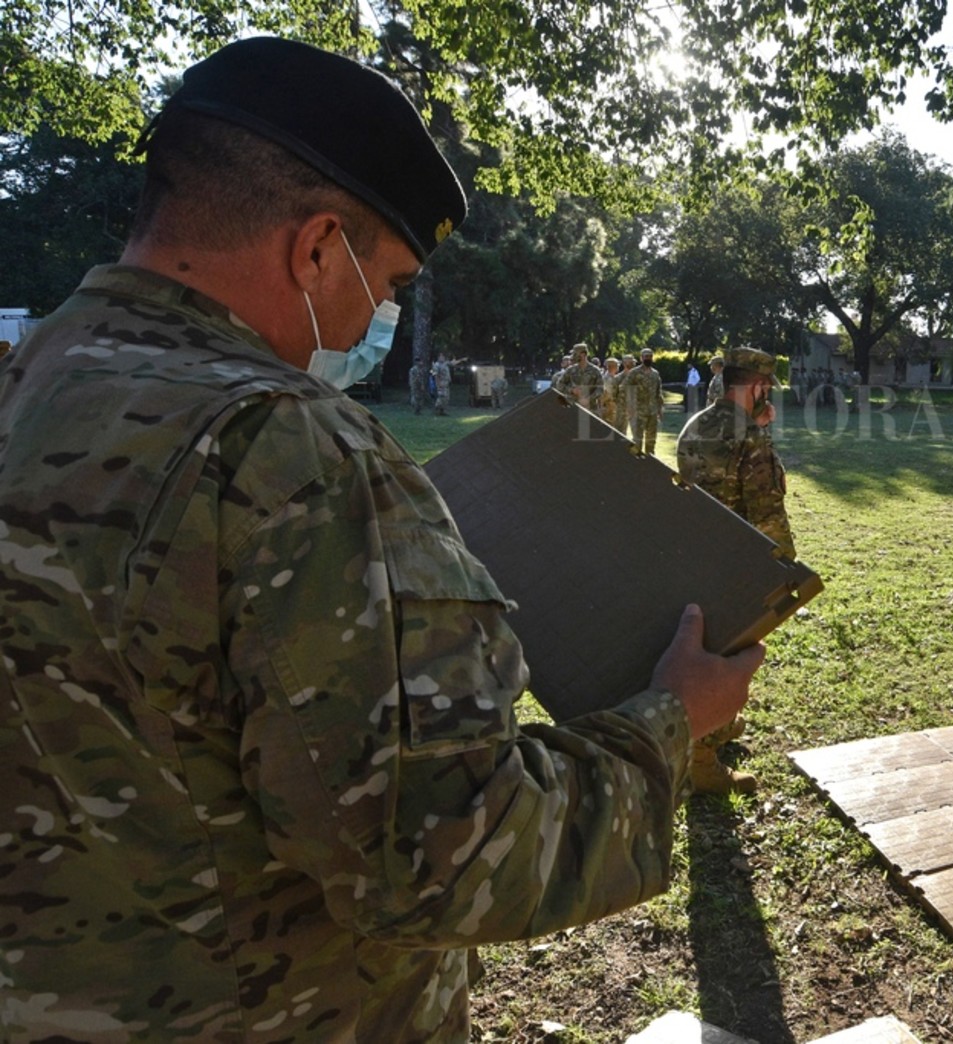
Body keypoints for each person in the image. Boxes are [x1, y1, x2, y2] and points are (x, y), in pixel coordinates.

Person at [0, 37, 762, 1042]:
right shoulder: (285, 447)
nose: (384, 315)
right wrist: (671, 720)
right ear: (316, 249)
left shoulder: (28, 381)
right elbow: (438, 856)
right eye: (388, 277)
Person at [676, 347, 796, 793]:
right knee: (724, 654)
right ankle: (701, 765)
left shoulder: (694, 424)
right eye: (768, 388)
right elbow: (767, 509)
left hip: (694, 555)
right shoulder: (749, 435)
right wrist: (784, 568)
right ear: (758, 386)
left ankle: (719, 730)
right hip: (737, 563)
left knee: (705, 645)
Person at [624, 347, 665, 456]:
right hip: (638, 411)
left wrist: (660, 410)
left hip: (652, 411)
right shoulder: (634, 373)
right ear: (641, 358)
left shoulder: (655, 374)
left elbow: (658, 392)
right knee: (637, 438)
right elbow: (626, 389)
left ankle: (650, 460)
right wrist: (630, 407)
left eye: (650, 356)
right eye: (646, 356)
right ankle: (636, 461)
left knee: (651, 438)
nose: (648, 358)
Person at [557, 342, 603, 414]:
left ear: (583, 354)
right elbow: (559, 384)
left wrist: (589, 399)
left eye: (575, 354)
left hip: (591, 410)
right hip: (573, 408)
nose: (573, 356)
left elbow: (600, 389)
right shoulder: (570, 370)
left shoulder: (595, 371)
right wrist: (571, 390)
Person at [432, 349, 453, 414]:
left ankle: (442, 411)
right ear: (438, 357)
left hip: (446, 383)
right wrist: (438, 384)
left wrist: (461, 360)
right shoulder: (436, 365)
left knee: (446, 398)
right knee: (441, 397)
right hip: (441, 383)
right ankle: (436, 409)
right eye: (441, 356)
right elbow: (435, 375)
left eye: (443, 356)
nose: (443, 358)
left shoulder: (445, 364)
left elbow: (452, 363)